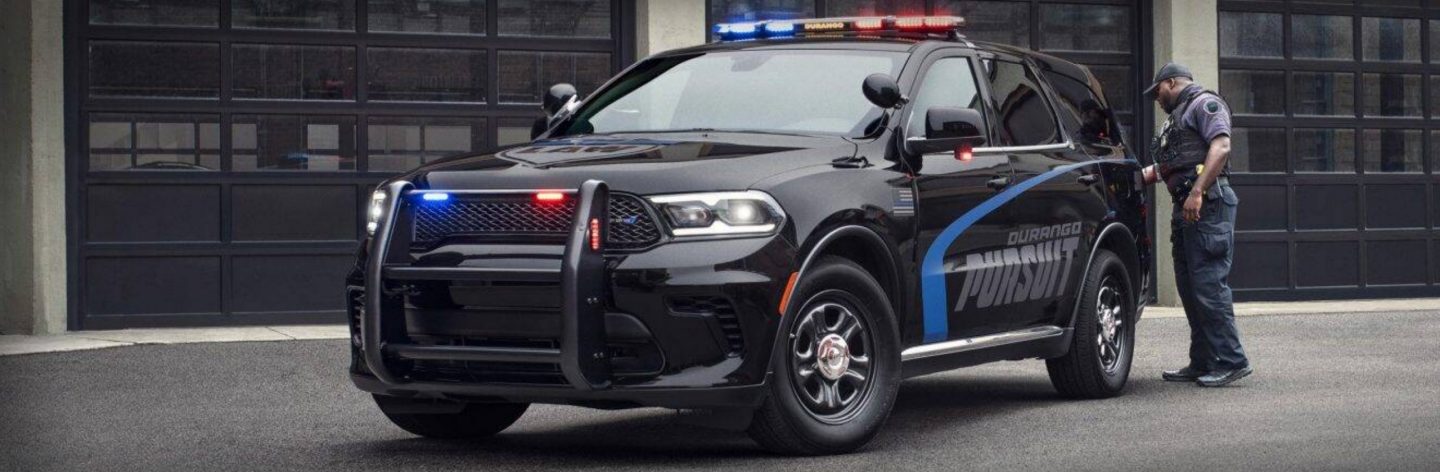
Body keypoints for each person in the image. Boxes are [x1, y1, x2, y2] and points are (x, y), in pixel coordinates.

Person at [1141, 63, 1253, 387]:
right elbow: (1168, 166)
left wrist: (1197, 191)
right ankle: (1203, 360)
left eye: (1158, 90)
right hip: (1187, 209)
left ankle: (1233, 360)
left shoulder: (1205, 104)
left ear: (1172, 82)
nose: (1156, 98)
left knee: (1209, 287)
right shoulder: (1176, 119)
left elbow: (1222, 146)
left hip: (1208, 204)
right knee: (1190, 289)